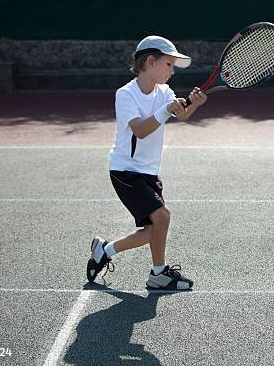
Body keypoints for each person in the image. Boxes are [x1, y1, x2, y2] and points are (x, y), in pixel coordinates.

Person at [87, 35, 207, 290]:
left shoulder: (164, 91)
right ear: (151, 62)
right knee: (162, 217)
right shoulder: (126, 94)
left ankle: (105, 250)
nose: (172, 71)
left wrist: (193, 105)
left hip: (148, 172)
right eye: (169, 65)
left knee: (153, 230)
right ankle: (158, 274)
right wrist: (166, 110)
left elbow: (182, 115)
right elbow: (140, 130)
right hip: (125, 171)